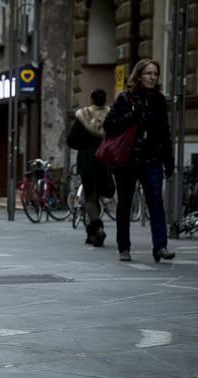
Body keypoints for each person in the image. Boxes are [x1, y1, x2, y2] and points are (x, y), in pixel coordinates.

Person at [103, 59, 175, 263]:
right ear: (139, 76)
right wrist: (131, 115)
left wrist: (169, 160)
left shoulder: (159, 100)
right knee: (125, 203)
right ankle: (124, 247)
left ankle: (160, 246)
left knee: (156, 201)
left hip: (152, 158)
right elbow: (109, 125)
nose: (152, 77)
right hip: (128, 160)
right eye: (148, 73)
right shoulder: (126, 98)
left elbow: (165, 132)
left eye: (155, 74)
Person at [67, 89, 110, 246]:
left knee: (90, 197)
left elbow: (71, 140)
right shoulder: (110, 115)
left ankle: (97, 228)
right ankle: (91, 233)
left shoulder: (83, 116)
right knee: (97, 196)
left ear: (91, 99)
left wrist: (83, 147)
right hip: (105, 161)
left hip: (87, 161)